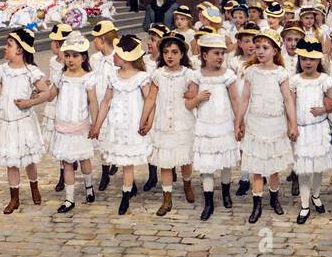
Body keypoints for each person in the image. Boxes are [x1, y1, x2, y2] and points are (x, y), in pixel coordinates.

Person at [234, 29, 295, 224]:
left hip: (275, 124)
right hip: (255, 123)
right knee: (257, 167)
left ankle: (275, 199)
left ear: (275, 51)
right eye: (258, 47)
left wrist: (292, 123)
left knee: (273, 168)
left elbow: (288, 100)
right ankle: (256, 204)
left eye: (265, 48)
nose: (260, 51)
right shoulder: (251, 72)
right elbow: (244, 99)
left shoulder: (281, 73)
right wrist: (238, 122)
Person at [0, 27, 50, 214]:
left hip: (24, 122)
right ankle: (14, 198)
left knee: (29, 159)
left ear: (20, 50)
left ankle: (34, 187)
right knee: (12, 161)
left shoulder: (31, 72)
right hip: (6, 123)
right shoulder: (3, 72)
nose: (4, 48)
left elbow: (46, 93)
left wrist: (30, 102)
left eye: (9, 45)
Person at [92, 35, 153, 214]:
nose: (113, 57)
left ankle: (125, 196)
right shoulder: (114, 76)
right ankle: (129, 188)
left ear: (126, 58)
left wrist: (148, 121)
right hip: (117, 125)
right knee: (122, 160)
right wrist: (97, 125)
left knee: (128, 163)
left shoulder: (141, 77)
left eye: (117, 55)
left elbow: (150, 101)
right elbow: (105, 102)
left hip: (133, 126)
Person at [139, 35, 196, 215]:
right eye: (165, 52)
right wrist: (144, 119)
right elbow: (150, 99)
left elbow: (194, 95)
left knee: (184, 159)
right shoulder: (158, 74)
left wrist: (192, 95)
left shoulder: (188, 74)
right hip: (163, 122)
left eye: (174, 52)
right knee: (165, 162)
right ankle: (167, 198)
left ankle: (187, 184)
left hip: (182, 122)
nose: (169, 56)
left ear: (181, 54)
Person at [189, 34, 241, 219]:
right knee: (207, 164)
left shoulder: (227, 75)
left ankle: (226, 193)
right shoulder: (196, 76)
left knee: (225, 161)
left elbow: (235, 99)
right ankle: (208, 201)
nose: (220, 57)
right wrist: (197, 98)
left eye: (222, 53)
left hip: (224, 123)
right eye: (216, 53)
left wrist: (238, 122)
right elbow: (188, 103)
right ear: (204, 55)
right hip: (205, 125)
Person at [46, 33, 99, 212]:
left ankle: (89, 185)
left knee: (84, 158)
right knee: (67, 162)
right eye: (67, 55)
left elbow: (93, 102)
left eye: (75, 56)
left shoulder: (88, 78)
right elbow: (50, 94)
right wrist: (31, 100)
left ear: (83, 57)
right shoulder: (60, 77)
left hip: (81, 125)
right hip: (63, 126)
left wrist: (96, 124)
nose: (70, 60)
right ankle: (69, 199)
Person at [288, 38, 332, 223]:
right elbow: (290, 105)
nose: (307, 63)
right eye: (304, 59)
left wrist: (323, 109)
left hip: (319, 128)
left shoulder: (324, 81)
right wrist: (292, 125)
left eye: (312, 59)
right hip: (302, 129)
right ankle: (304, 204)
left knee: (317, 168)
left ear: (318, 61)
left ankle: (316, 196)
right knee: (303, 169)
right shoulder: (295, 81)